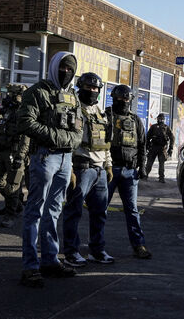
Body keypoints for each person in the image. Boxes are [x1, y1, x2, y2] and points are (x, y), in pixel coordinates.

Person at [16, 51, 82, 287]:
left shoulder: (72, 97)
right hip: (44, 157)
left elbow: (79, 132)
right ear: (54, 67)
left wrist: (67, 142)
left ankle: (50, 260)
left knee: (53, 211)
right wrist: (58, 137)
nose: (66, 72)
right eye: (63, 68)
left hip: (65, 159)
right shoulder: (37, 92)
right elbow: (25, 122)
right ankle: (30, 266)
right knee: (35, 211)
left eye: (70, 69)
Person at [62, 72, 114, 267]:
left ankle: (97, 250)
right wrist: (69, 169)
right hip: (81, 168)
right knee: (73, 212)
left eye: (95, 88)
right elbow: (67, 141)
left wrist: (108, 165)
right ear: (80, 87)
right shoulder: (74, 109)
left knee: (100, 213)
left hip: (100, 170)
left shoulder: (100, 112)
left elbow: (106, 143)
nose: (92, 91)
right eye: (88, 87)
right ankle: (71, 252)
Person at [105, 84, 151, 259]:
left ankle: (139, 245)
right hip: (109, 170)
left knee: (132, 210)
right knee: (100, 209)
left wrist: (142, 167)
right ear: (113, 97)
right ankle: (97, 246)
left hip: (130, 171)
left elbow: (142, 145)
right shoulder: (106, 116)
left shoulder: (135, 120)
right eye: (120, 97)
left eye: (126, 98)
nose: (123, 101)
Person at [0, 84, 31, 228]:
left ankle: (10, 214)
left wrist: (21, 156)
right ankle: (15, 204)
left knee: (13, 185)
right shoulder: (10, 110)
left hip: (15, 152)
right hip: (3, 150)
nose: (10, 97)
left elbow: (26, 137)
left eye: (13, 94)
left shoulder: (24, 111)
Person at [144, 113, 174, 183]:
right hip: (154, 147)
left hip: (162, 148)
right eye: (159, 119)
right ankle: (145, 175)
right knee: (149, 163)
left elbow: (172, 137)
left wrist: (171, 148)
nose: (160, 120)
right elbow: (148, 137)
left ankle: (161, 177)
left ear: (163, 120)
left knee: (161, 164)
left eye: (161, 119)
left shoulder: (166, 128)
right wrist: (147, 146)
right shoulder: (153, 127)